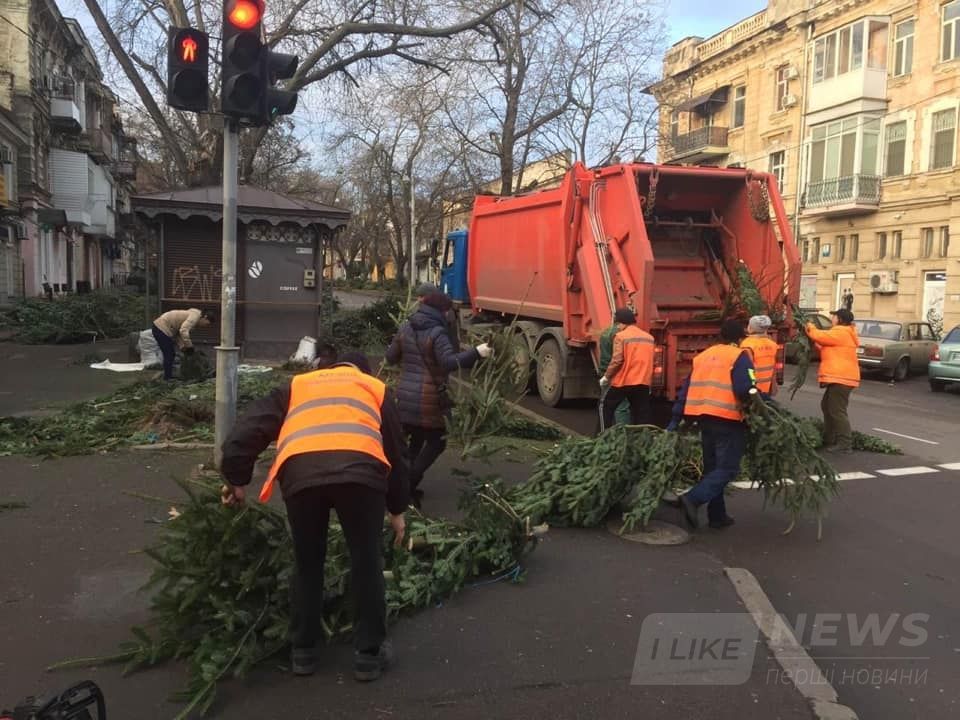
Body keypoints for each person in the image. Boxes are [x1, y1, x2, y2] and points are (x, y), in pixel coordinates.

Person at [220, 351, 409, 682]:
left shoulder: (298, 385)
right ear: (362, 371)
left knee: (307, 561)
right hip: (360, 476)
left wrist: (236, 478)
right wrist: (397, 509)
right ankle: (368, 655)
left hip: (301, 474)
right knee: (366, 560)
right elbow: (396, 450)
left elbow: (250, 427)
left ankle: (304, 651)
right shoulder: (374, 387)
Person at [385, 292, 492, 506]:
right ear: (442, 311)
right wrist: (477, 353)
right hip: (429, 399)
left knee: (415, 440)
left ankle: (405, 488)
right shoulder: (437, 332)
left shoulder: (406, 327)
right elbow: (449, 362)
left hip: (404, 397)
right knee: (437, 442)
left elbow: (390, 357)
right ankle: (407, 483)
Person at [668, 319, 758, 530]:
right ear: (739, 338)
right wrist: (763, 404)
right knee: (727, 469)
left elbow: (685, 390)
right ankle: (692, 499)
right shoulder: (739, 356)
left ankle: (717, 516)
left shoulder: (703, 356)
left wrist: (675, 420)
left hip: (703, 418)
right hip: (727, 418)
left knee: (713, 469)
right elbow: (745, 388)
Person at [805, 308, 860, 453]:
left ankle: (844, 443)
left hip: (842, 378)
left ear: (840, 319)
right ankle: (829, 437)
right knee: (827, 406)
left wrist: (809, 326)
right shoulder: (843, 333)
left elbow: (819, 335)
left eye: (834, 316)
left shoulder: (841, 331)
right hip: (841, 377)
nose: (832, 318)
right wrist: (814, 342)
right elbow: (827, 346)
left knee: (837, 410)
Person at [599, 308, 655, 429]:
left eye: (618, 324)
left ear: (622, 323)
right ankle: (642, 437)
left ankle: (604, 434)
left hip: (624, 381)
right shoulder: (649, 338)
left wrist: (606, 377)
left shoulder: (621, 337)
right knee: (641, 414)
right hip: (643, 382)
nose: (618, 327)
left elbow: (617, 360)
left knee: (605, 406)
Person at [151, 308, 213, 380]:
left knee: (170, 354)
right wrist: (190, 347)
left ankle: (168, 376)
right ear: (205, 317)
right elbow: (183, 331)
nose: (205, 326)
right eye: (207, 324)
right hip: (161, 327)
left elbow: (178, 333)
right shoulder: (194, 317)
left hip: (162, 328)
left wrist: (183, 347)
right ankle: (167, 378)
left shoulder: (194, 317)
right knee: (169, 354)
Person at [597, 322, 631, 431]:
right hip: (620, 375)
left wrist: (605, 375)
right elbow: (619, 359)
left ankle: (604, 433)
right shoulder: (622, 335)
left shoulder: (606, 333)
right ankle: (622, 434)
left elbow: (606, 359)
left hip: (609, 373)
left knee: (606, 404)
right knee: (622, 406)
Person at [740, 314, 779, 396]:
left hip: (753, 388)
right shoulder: (773, 344)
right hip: (766, 387)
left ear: (751, 328)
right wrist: (774, 384)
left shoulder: (747, 344)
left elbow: (746, 369)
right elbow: (773, 367)